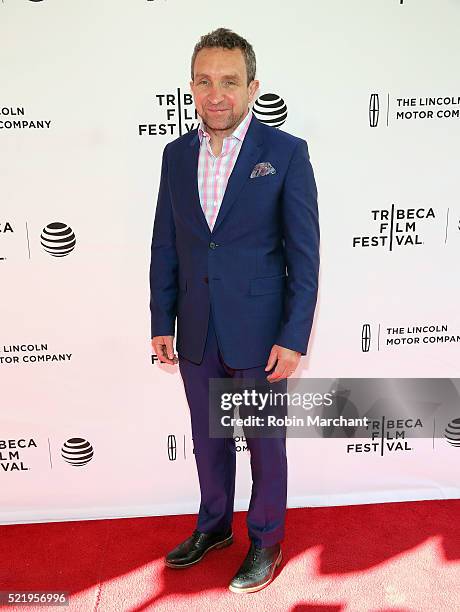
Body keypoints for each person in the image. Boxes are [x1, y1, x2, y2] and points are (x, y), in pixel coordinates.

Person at [150, 27, 320, 594]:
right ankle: (215, 525)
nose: (215, 94)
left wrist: (294, 337)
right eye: (204, 81)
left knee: (265, 446)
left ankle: (267, 539)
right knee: (208, 440)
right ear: (191, 87)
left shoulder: (286, 154)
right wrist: (160, 321)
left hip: (262, 333)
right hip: (197, 331)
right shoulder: (176, 157)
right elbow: (166, 246)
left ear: (252, 87)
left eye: (228, 81)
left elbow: (304, 254)